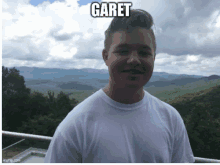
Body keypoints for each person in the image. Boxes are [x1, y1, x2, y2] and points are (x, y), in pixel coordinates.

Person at [44, 9, 195, 163]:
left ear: (154, 58)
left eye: (144, 52)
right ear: (105, 57)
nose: (134, 60)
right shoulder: (76, 126)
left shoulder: (171, 119)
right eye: (123, 51)